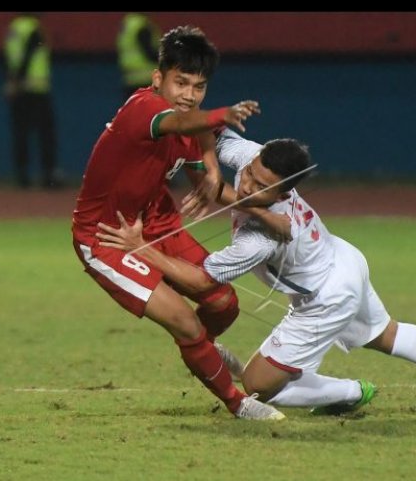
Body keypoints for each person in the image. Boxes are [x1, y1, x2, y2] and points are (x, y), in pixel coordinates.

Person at [96, 128, 416, 416]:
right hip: (343, 261)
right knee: (386, 334)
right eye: (251, 175)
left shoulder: (263, 237)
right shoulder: (251, 157)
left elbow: (200, 281)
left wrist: (140, 249)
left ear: (285, 193)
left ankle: (351, 392)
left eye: (263, 188)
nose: (248, 185)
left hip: (325, 296)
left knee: (259, 384)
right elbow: (211, 130)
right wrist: (210, 162)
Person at [72, 26, 285, 421]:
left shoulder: (187, 121)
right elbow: (184, 123)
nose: (189, 94)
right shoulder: (144, 110)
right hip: (107, 238)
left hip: (154, 222)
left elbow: (208, 182)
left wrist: (255, 208)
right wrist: (221, 116)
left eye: (199, 86)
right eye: (180, 82)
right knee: (186, 322)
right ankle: (238, 403)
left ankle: (202, 349)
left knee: (224, 304)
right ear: (158, 79)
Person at [4, 13, 59, 188]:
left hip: (20, 90)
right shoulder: (34, 29)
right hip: (37, 89)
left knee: (21, 133)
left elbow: (8, 58)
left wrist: (11, 81)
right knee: (46, 134)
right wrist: (17, 79)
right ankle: (48, 175)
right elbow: (28, 56)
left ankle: (22, 175)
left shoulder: (13, 29)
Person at [117, 13, 162, 101]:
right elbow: (150, 53)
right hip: (146, 79)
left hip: (130, 79)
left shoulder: (128, 23)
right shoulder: (142, 27)